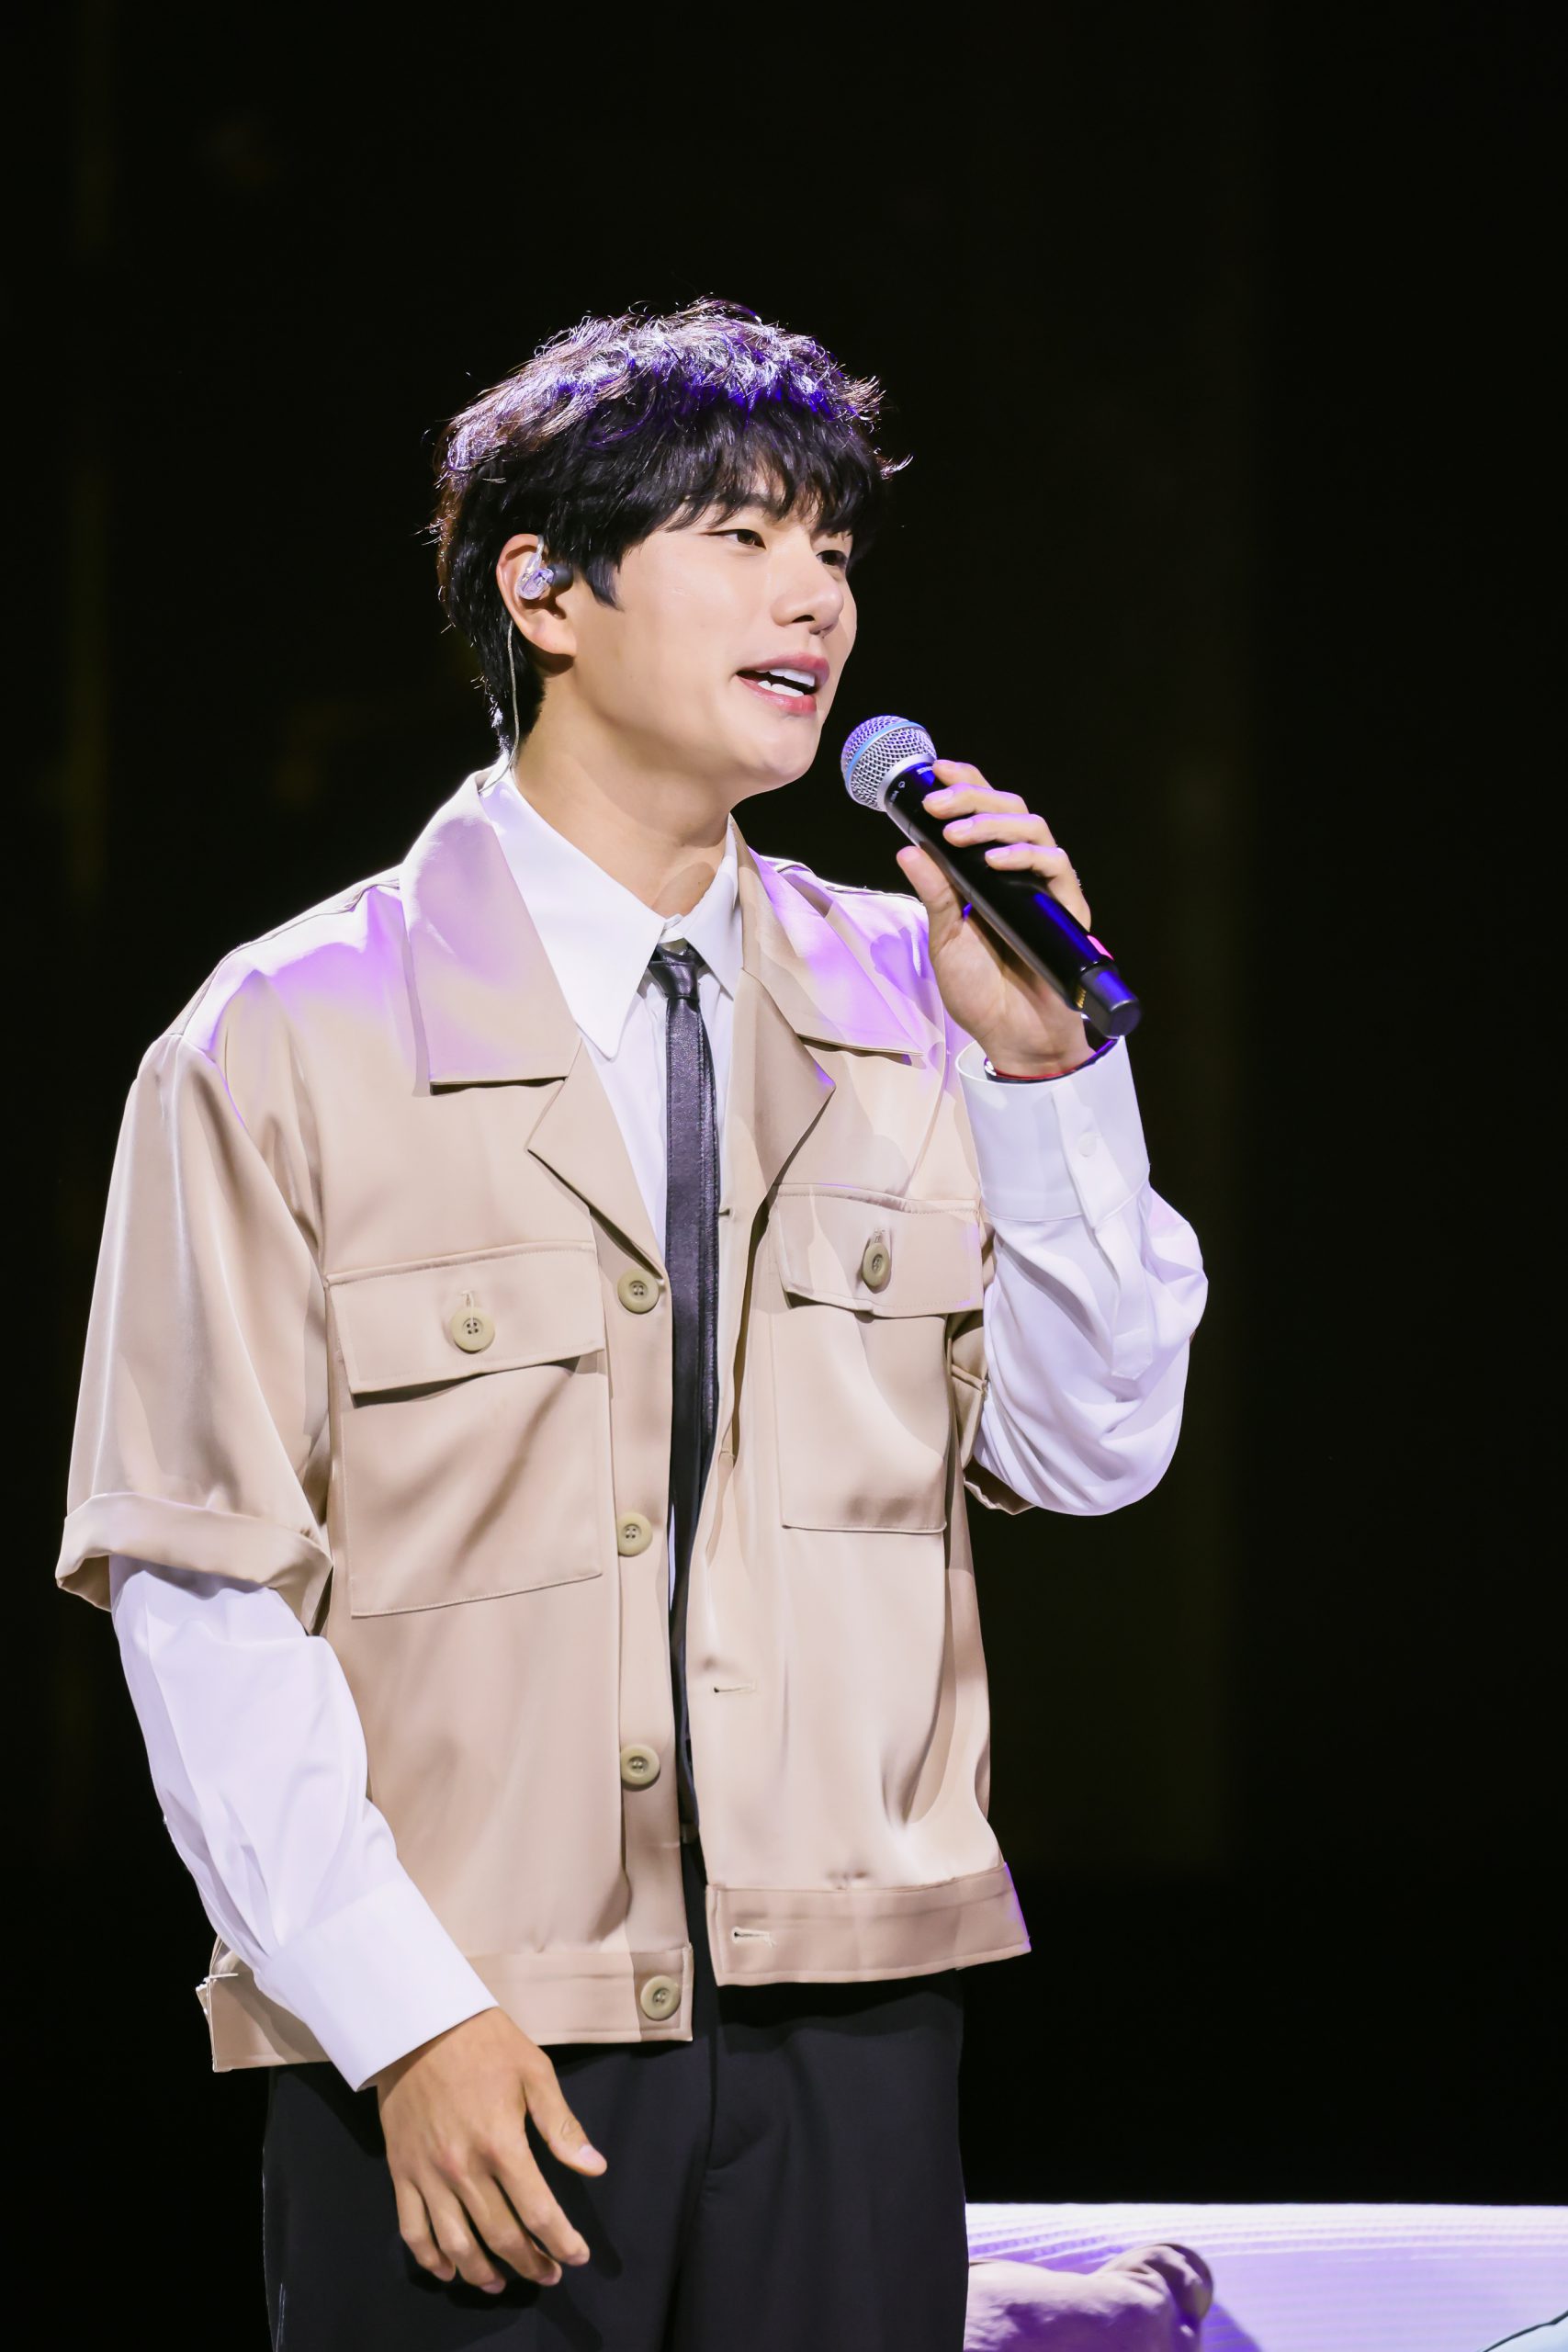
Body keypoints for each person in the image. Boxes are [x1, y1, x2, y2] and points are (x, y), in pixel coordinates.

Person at [56, 300, 1209, 2350]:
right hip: (470, 2036)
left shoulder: (921, 996)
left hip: (849, 2028)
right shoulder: (288, 1035)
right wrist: (398, 2014)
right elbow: (202, 1586)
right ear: (545, 589)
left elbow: (1091, 1447)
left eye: (832, 551)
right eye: (740, 537)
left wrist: (1050, 1083)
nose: (811, 598)